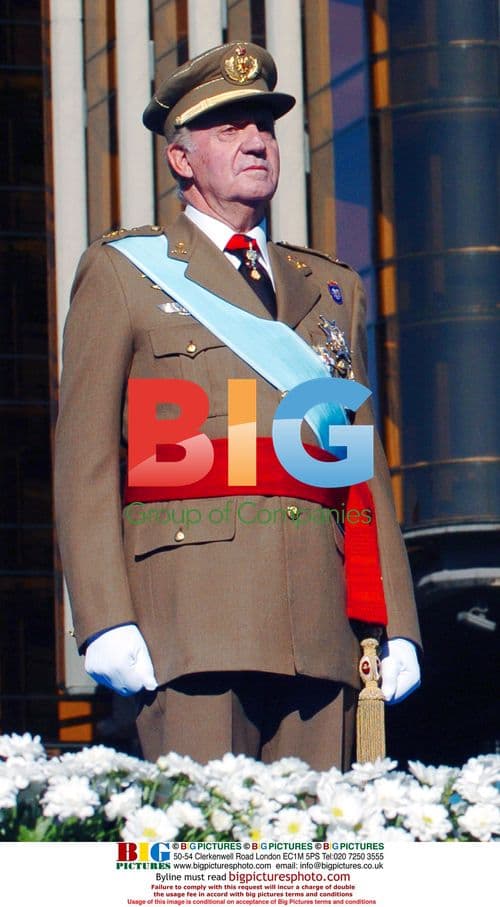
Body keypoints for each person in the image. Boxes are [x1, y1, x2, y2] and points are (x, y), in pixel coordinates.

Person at [54, 41, 421, 771]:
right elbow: (85, 461)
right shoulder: (126, 273)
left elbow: (358, 469)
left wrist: (396, 623)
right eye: (229, 127)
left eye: (265, 126)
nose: (256, 140)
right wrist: (103, 616)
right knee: (202, 860)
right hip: (189, 621)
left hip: (321, 627)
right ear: (181, 159)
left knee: (317, 865)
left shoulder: (331, 288)